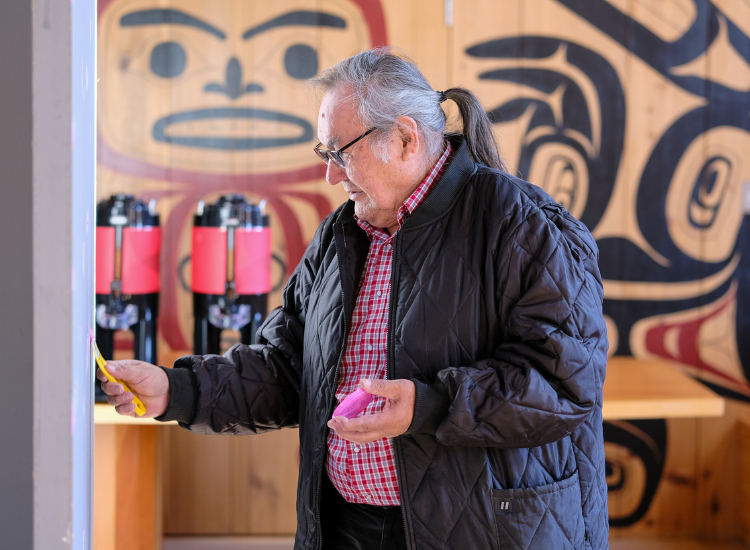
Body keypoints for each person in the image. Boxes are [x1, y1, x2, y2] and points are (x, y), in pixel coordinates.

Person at [99, 48, 609, 549]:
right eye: (325, 154)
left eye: (340, 151)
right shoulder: (340, 235)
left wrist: (428, 405)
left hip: (487, 530)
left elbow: (564, 384)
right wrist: (176, 389)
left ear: (406, 139)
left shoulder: (520, 221)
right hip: (348, 528)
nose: (331, 174)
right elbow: (286, 367)